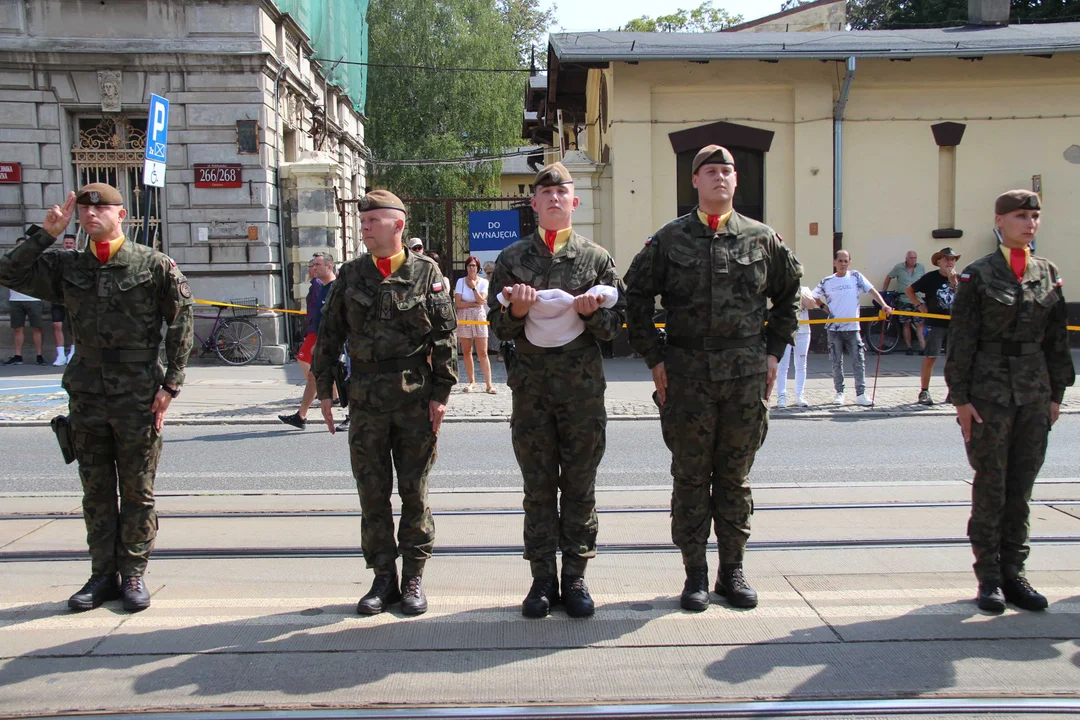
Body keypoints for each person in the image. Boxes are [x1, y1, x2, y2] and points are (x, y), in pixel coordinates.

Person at [624, 145, 802, 612]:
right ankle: (695, 574)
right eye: (710, 171)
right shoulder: (669, 240)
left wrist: (773, 352)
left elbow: (789, 296)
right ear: (695, 181)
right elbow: (635, 297)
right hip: (685, 377)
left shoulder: (763, 240)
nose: (720, 177)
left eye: (727, 171)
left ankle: (733, 569)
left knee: (734, 477)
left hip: (745, 376)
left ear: (736, 181)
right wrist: (654, 358)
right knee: (689, 476)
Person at [0, 183, 193, 612]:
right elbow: (8, 272)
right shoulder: (67, 266)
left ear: (121, 214)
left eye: (101, 208)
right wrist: (46, 234)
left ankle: (134, 574)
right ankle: (102, 573)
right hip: (87, 393)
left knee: (138, 489)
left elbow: (181, 323)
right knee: (96, 490)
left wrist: (172, 384)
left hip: (139, 393)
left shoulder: (152, 264)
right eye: (84, 210)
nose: (91, 215)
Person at [489, 161, 626, 619]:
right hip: (531, 391)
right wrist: (516, 312)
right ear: (533, 204)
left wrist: (591, 314)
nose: (553, 198)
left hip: (582, 393)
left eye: (561, 192)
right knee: (539, 486)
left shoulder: (596, 259)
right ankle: (542, 579)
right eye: (544, 193)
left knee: (581, 485)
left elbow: (614, 329)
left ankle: (577, 577)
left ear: (574, 201)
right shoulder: (512, 260)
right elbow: (497, 328)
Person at [311, 190, 457, 617]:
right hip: (366, 402)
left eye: (372, 220)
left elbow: (444, 339)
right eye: (363, 221)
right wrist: (324, 389)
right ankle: (382, 576)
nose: (365, 227)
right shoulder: (350, 276)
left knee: (414, 492)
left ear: (397, 224)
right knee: (372, 494)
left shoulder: (425, 273)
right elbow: (329, 333)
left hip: (415, 400)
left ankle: (412, 576)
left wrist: (442, 394)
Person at [945, 190, 1074, 614]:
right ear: (999, 221)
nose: (1030, 223)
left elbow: (1057, 341)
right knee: (991, 485)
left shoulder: (1047, 272)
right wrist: (960, 398)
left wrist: (1057, 393)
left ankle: (1015, 573)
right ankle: (989, 579)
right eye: (1021, 216)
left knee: (1021, 487)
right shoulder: (978, 275)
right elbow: (961, 340)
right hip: (989, 392)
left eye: (1035, 216)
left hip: (1034, 391)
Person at [813, 250, 892, 406]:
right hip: (834, 329)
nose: (843, 264)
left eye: (846, 261)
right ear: (834, 262)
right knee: (836, 361)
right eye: (840, 261)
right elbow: (814, 296)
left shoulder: (855, 277)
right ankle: (839, 392)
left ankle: (861, 393)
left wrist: (883, 305)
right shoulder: (827, 281)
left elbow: (871, 290)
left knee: (858, 360)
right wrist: (823, 306)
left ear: (849, 262)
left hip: (853, 327)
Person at [279, 252, 336, 429]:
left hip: (333, 342)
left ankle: (347, 410)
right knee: (313, 377)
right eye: (313, 264)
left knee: (341, 377)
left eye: (318, 264)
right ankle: (301, 416)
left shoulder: (335, 288)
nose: (313, 267)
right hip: (321, 340)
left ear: (329, 267)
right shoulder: (323, 287)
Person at [905, 247, 959, 405]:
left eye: (952, 259)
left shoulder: (959, 278)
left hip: (954, 324)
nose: (950, 262)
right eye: (946, 259)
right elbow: (910, 291)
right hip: (935, 324)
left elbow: (964, 300)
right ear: (939, 262)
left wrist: (954, 283)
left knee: (953, 360)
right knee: (930, 357)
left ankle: (952, 391)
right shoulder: (930, 278)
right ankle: (924, 391)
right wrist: (920, 306)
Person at [3, 237, 46, 367]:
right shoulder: (10, 262)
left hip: (33, 299)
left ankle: (39, 356)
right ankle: (18, 356)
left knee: (37, 328)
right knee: (17, 328)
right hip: (15, 299)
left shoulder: (36, 261)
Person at [455, 256, 495, 393]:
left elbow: (482, 300)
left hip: (478, 315)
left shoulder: (483, 282)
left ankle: (489, 384)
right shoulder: (460, 282)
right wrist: (474, 303)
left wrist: (473, 288)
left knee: (483, 352)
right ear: (466, 267)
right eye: (469, 265)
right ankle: (472, 382)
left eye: (474, 265)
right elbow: (458, 303)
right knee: (467, 351)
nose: (471, 268)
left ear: (478, 268)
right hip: (464, 316)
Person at [775, 286, 815, 408]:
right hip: (786, 331)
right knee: (782, 365)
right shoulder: (782, 289)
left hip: (803, 332)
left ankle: (799, 395)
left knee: (801, 364)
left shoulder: (805, 289)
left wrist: (799, 291)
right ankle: (782, 396)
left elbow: (811, 305)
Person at [883, 250, 926, 355]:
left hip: (917, 299)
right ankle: (909, 347)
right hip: (904, 299)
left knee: (919, 323)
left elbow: (924, 281)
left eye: (915, 258)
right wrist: (884, 292)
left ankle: (923, 347)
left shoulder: (921, 268)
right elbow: (889, 277)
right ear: (906, 258)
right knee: (906, 324)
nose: (913, 260)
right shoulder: (899, 267)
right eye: (911, 258)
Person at [48, 234, 78, 366]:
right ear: (63, 244)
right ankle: (60, 355)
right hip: (58, 297)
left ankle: (73, 352)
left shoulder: (79, 260)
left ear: (74, 245)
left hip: (73, 298)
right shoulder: (57, 259)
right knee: (56, 324)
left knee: (75, 326)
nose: (68, 245)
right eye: (66, 243)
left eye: (70, 243)